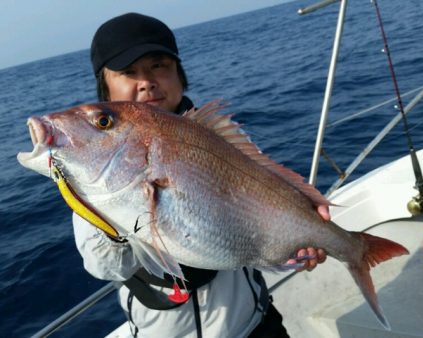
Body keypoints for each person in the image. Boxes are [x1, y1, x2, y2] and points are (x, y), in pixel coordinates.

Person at [74, 12, 328, 338]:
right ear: (105, 91)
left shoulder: (217, 139)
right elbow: (103, 266)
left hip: (256, 326)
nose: (147, 81)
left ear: (180, 75)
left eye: (159, 66)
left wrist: (301, 230)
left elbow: (265, 196)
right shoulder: (95, 166)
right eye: (127, 72)